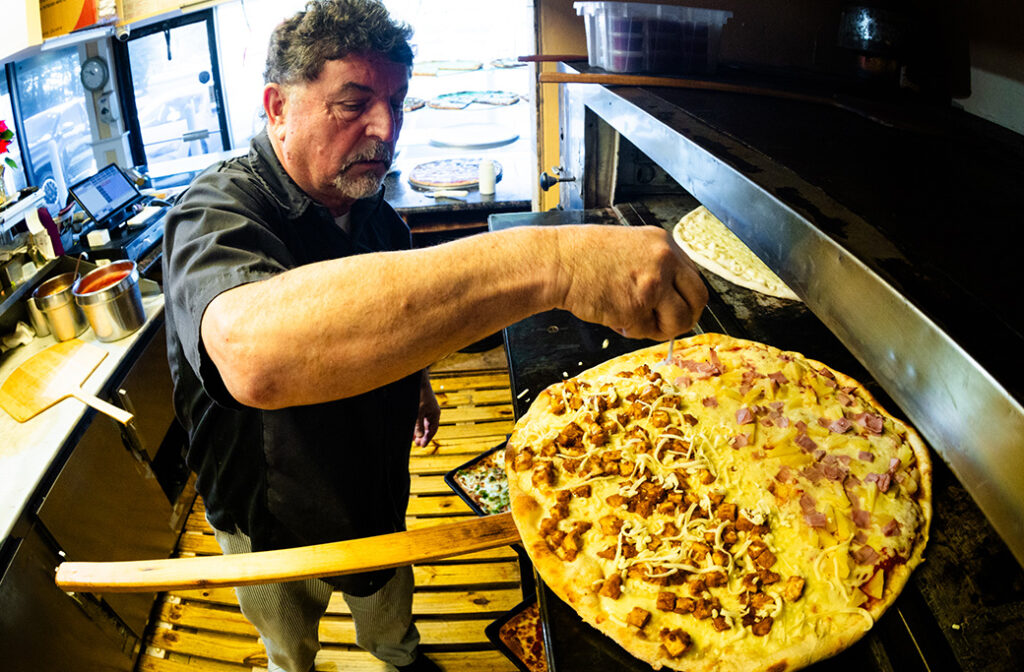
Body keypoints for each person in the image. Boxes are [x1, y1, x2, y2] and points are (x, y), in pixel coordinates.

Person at [161, 1, 708, 671]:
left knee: (390, 617)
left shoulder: (371, 211)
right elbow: (253, 356)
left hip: (371, 483)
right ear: (277, 107)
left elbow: (391, 319)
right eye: (352, 103)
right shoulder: (213, 213)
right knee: (287, 640)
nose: (384, 128)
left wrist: (414, 380)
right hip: (266, 509)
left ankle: (398, 657)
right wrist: (552, 261)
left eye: (396, 102)